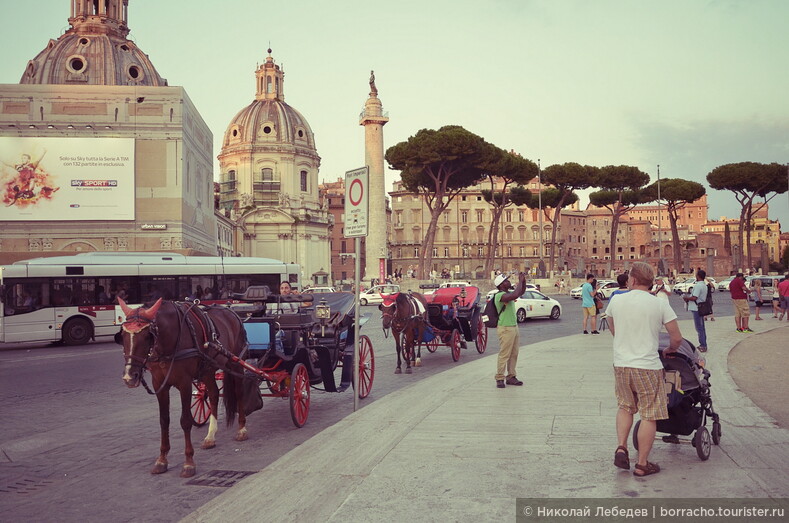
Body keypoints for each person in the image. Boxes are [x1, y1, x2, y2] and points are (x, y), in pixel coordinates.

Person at [606, 262, 683, 477]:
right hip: (648, 366)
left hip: (622, 364)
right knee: (649, 415)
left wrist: (624, 342)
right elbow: (676, 337)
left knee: (625, 407)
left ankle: (622, 447)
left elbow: (613, 328)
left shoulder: (617, 300)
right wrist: (669, 349)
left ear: (632, 280)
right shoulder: (659, 304)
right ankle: (642, 464)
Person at [492, 272, 526, 388]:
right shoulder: (499, 296)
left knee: (514, 354)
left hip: (513, 326)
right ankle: (500, 377)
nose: (508, 281)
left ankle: (511, 376)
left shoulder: (507, 293)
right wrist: (520, 281)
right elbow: (516, 294)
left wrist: (524, 281)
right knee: (504, 354)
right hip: (505, 327)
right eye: (506, 280)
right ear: (501, 285)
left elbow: (521, 292)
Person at [682, 269, 709, 352]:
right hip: (701, 307)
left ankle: (703, 345)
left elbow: (694, 297)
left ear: (698, 276)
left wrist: (686, 298)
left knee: (699, 328)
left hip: (697, 308)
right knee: (701, 327)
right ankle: (703, 344)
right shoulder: (704, 285)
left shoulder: (698, 286)